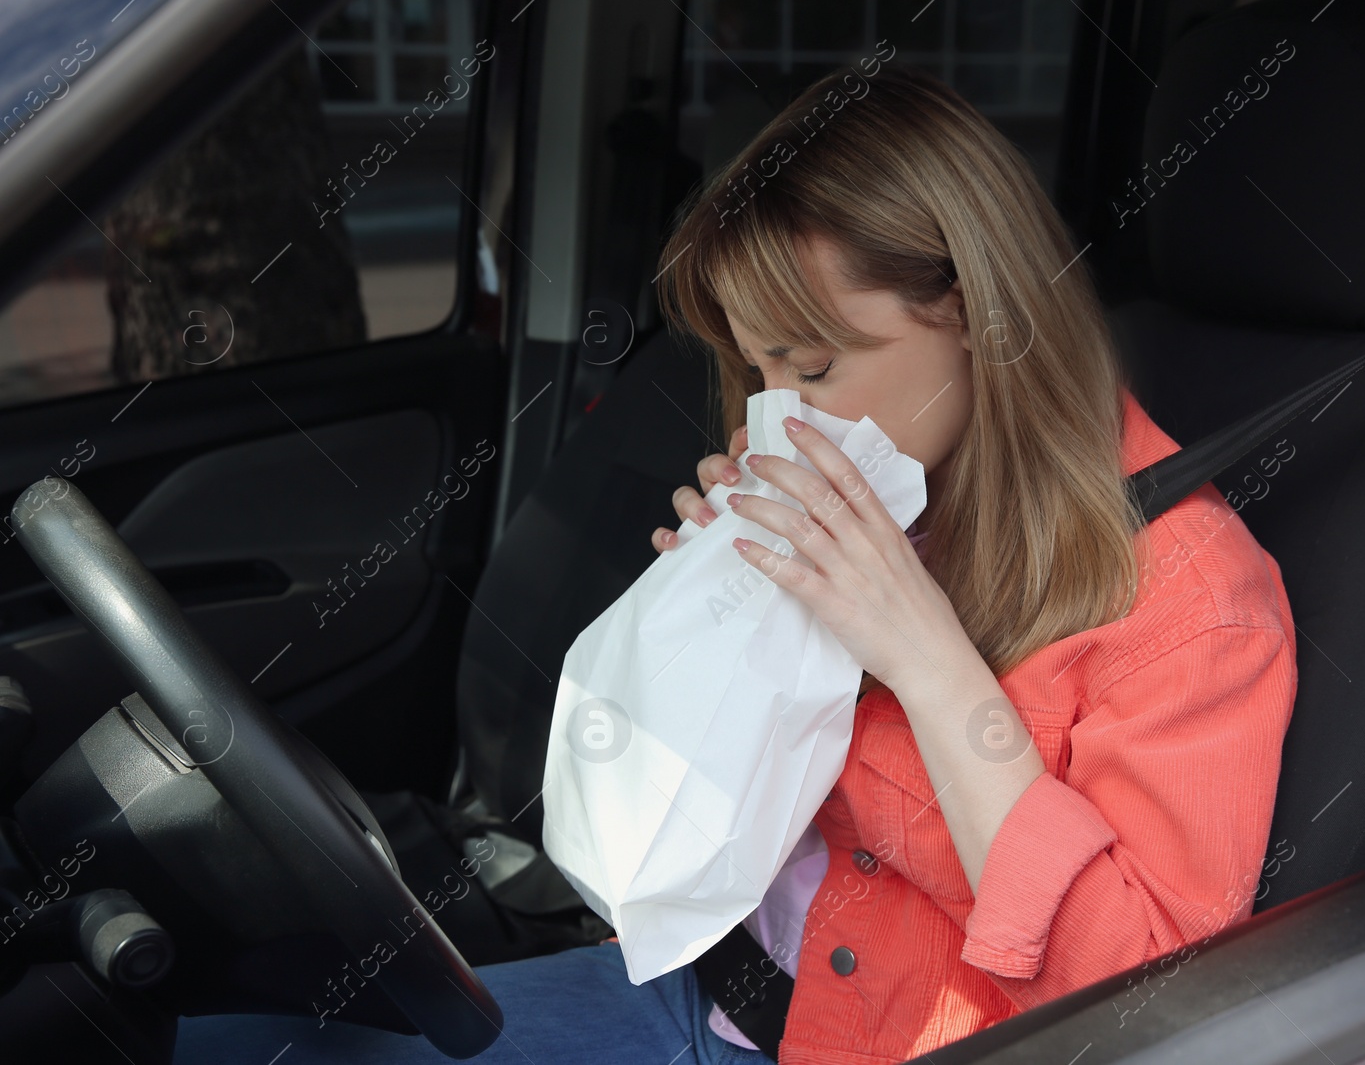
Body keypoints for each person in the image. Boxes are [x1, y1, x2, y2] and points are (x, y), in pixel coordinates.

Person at [173, 62, 1296, 1065]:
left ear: (973, 314)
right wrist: (720, 645)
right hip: (691, 992)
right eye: (760, 369)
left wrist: (924, 658)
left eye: (815, 366)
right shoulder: (907, 487)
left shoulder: (1192, 601)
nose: (779, 414)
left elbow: (1154, 998)